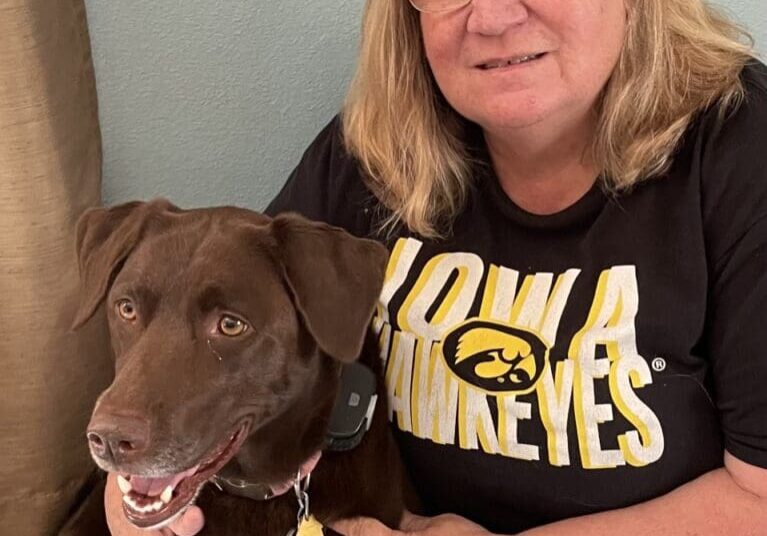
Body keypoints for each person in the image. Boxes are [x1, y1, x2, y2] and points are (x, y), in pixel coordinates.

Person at [105, 0, 767, 534]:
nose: (492, 17)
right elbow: (240, 341)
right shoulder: (373, 151)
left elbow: (757, 499)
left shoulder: (739, 151)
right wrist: (148, 486)